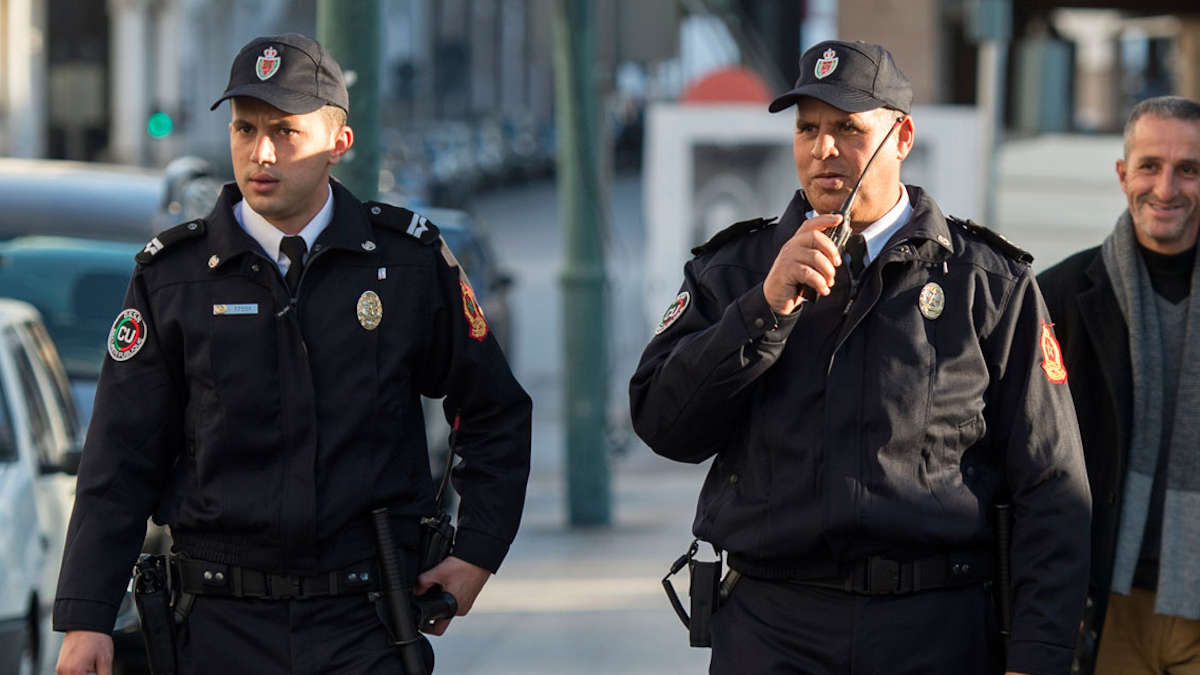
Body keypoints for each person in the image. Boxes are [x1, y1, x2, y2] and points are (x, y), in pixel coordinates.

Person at [53, 33, 531, 674]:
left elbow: (495, 410)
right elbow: (119, 455)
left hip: (364, 623)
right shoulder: (174, 277)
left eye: (285, 132)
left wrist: (476, 552)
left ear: (339, 142)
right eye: (245, 130)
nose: (262, 153)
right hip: (215, 626)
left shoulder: (406, 264)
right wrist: (87, 616)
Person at [629, 40, 1091, 674]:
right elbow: (662, 423)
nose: (824, 150)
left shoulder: (987, 283)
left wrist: (1037, 656)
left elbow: (1052, 484)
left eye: (848, 128)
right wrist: (763, 308)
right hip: (772, 628)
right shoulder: (735, 269)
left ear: (900, 137)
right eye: (807, 128)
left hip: (934, 629)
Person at [1037, 95, 1200, 675]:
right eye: (1151, 165)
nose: (1166, 188)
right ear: (1122, 173)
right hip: (1110, 601)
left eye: (1189, 169)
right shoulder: (1055, 299)